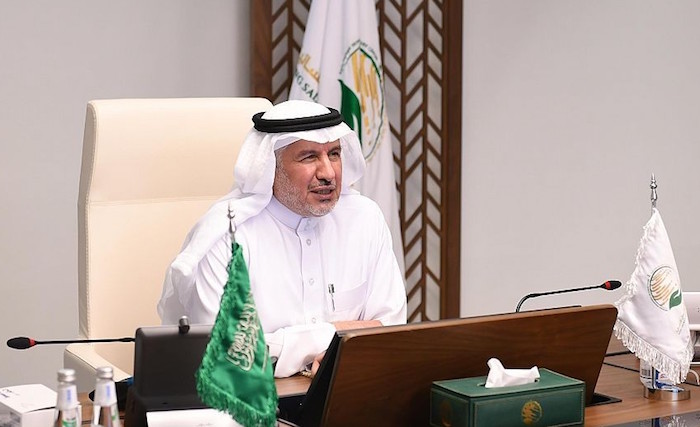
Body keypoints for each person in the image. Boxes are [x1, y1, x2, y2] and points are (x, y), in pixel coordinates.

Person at [157, 100, 407, 377]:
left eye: (334, 154)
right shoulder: (227, 236)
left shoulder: (365, 219)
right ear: (270, 166)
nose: (328, 173)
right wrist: (333, 336)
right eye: (309, 157)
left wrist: (280, 345)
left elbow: (390, 332)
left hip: (349, 388)